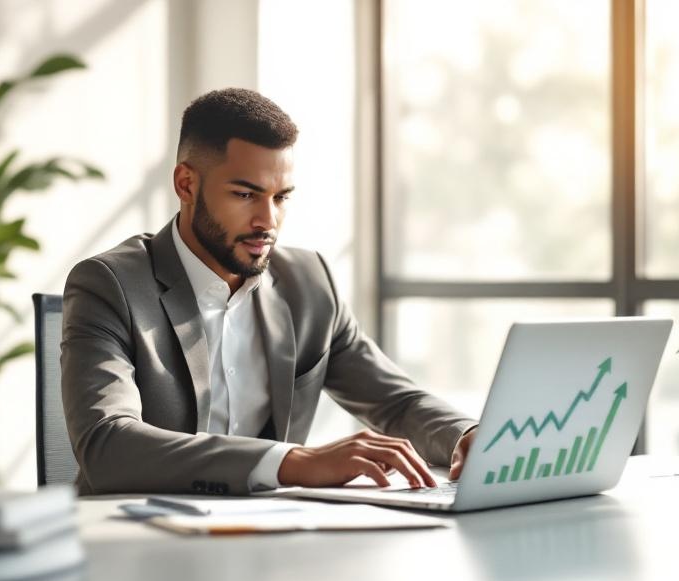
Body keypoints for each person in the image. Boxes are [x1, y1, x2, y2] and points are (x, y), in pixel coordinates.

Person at [61, 88, 478, 496]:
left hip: (268, 537)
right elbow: (107, 444)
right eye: (245, 194)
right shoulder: (109, 285)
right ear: (186, 185)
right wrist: (292, 462)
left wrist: (467, 435)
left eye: (281, 197)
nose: (268, 220)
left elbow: (396, 403)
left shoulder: (309, 284)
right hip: (137, 540)